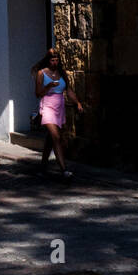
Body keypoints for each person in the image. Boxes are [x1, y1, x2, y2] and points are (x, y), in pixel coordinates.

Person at [32, 47, 84, 179]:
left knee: (51, 139)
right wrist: (49, 86)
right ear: (48, 61)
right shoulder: (41, 73)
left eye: (57, 60)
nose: (55, 63)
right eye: (52, 60)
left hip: (59, 108)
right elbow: (38, 94)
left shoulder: (62, 73)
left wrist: (77, 102)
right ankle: (64, 170)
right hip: (47, 107)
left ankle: (43, 168)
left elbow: (69, 90)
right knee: (56, 137)